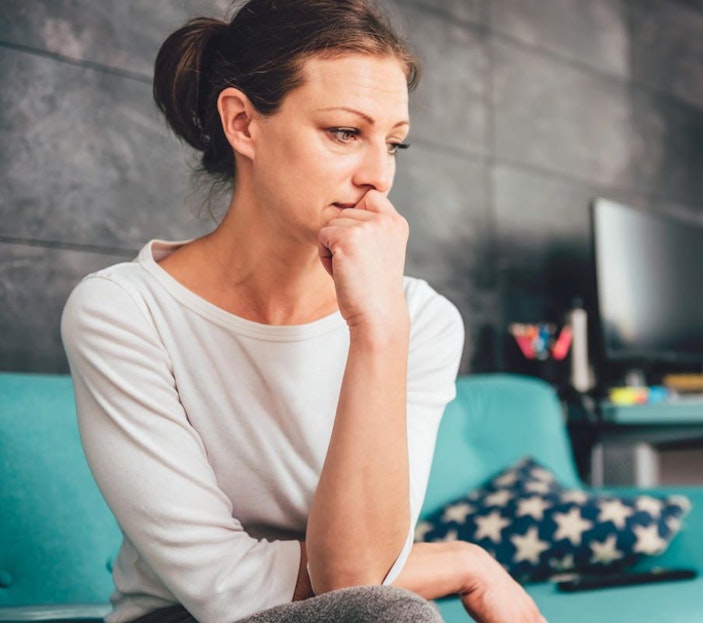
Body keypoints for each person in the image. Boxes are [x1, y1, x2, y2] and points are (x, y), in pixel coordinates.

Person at [60, 1, 546, 622]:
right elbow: (227, 589)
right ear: (243, 124)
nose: (379, 177)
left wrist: (378, 328)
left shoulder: (419, 319)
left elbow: (358, 581)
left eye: (393, 143)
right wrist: (463, 562)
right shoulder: (123, 312)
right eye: (345, 132)